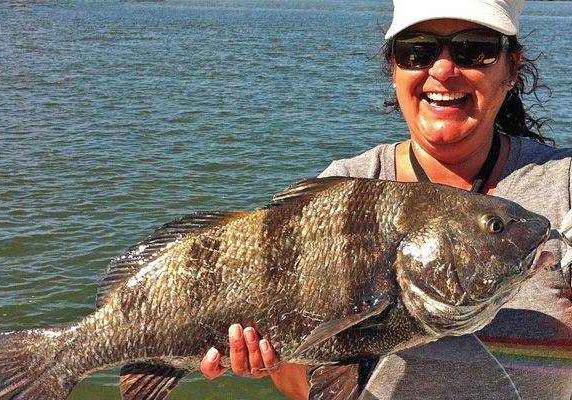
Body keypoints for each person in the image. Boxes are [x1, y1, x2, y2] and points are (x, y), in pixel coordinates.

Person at [200, 0, 572, 398]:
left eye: (474, 49)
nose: (443, 69)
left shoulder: (563, 186)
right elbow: (307, 385)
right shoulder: (342, 188)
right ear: (394, 68)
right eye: (417, 50)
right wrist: (266, 360)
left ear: (511, 67)